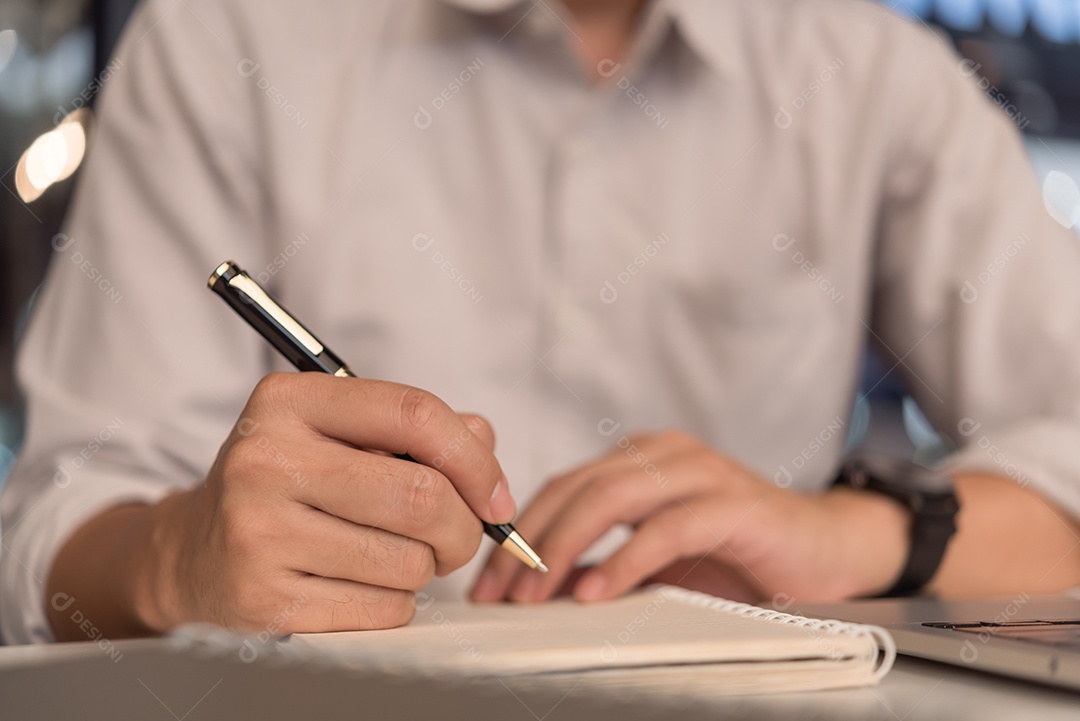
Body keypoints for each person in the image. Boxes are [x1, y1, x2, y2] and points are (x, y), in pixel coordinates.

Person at [3, 0, 1080, 645]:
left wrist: (857, 536)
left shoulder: (872, 78)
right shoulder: (224, 39)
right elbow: (48, 531)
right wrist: (175, 558)